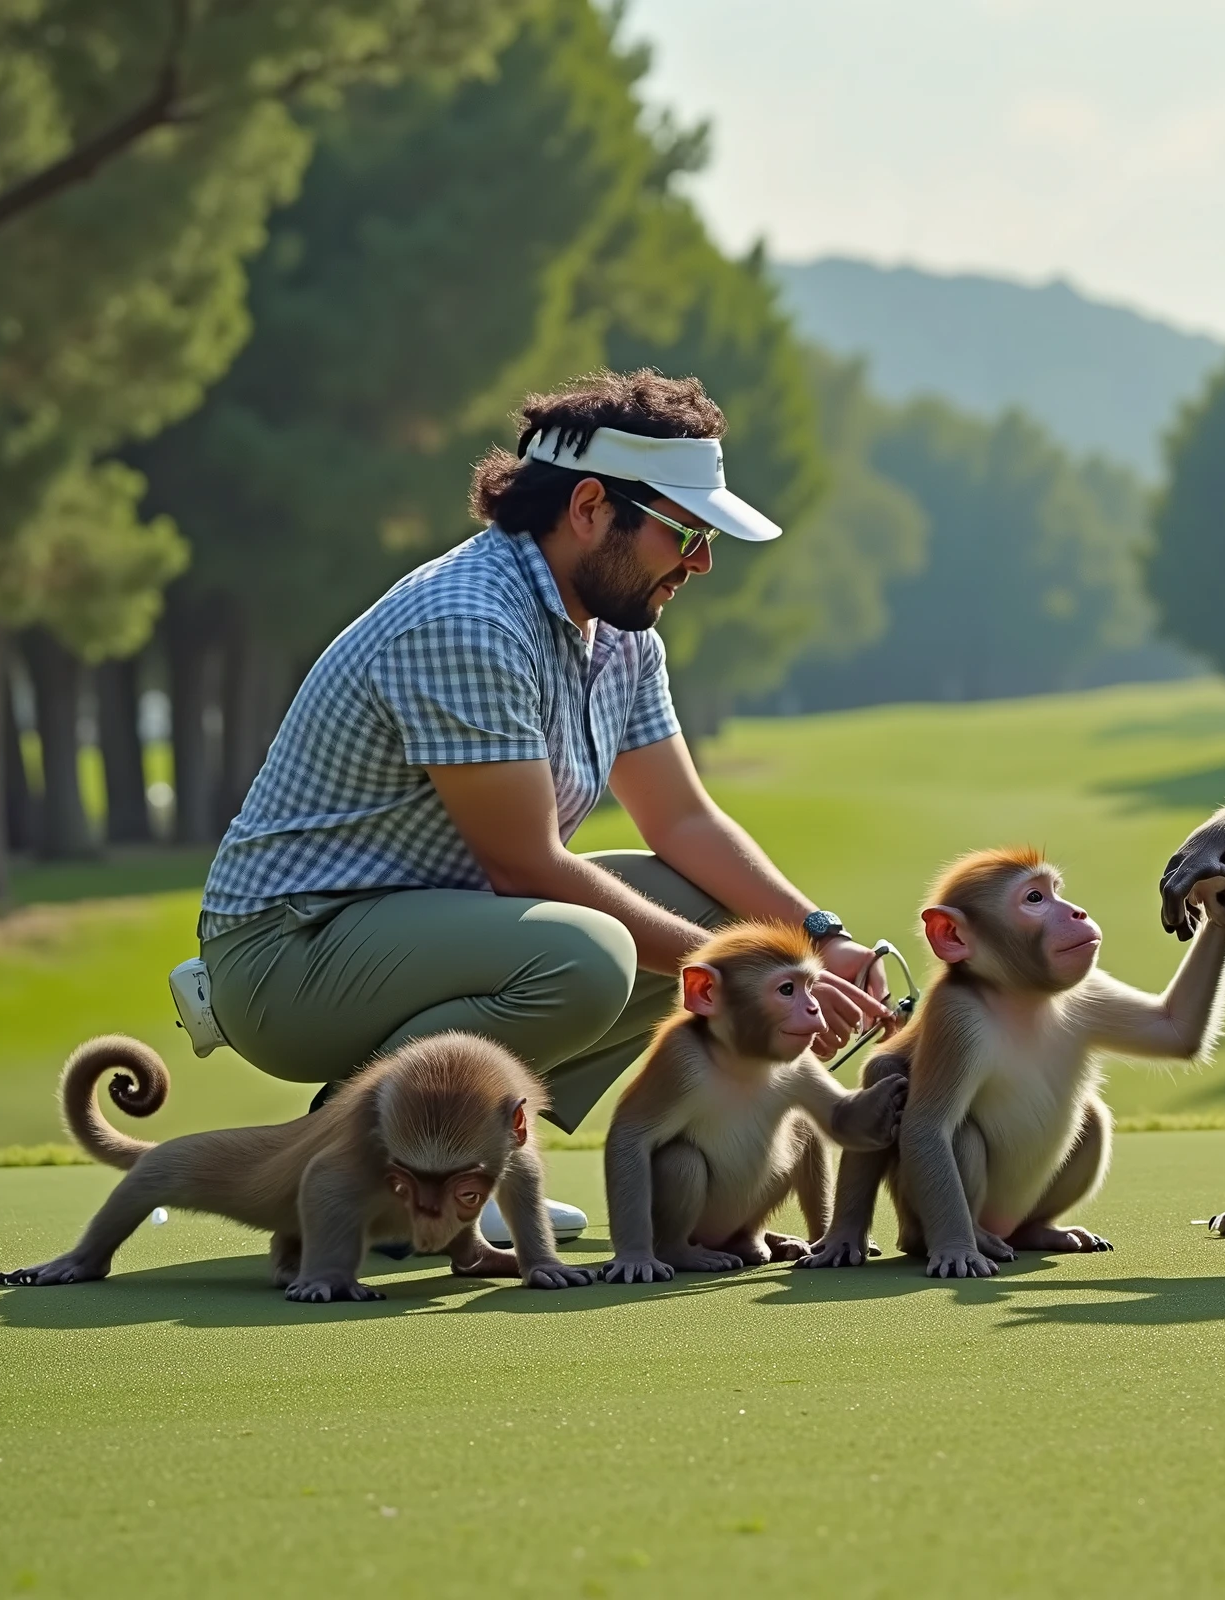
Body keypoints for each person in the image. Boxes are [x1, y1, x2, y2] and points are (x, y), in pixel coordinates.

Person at [194, 369, 889, 1236]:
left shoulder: (621, 633)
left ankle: (432, 1152)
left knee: (711, 911)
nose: (702, 562)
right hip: (287, 954)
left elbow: (681, 821)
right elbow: (525, 865)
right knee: (590, 954)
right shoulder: (471, 620)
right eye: (685, 532)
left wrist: (812, 941)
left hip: (412, 930)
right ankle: (392, 1168)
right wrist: (751, 985)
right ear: (590, 507)